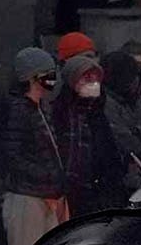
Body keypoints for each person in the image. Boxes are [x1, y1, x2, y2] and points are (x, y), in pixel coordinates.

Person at [0, 47, 68, 245]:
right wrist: (45, 174)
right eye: (47, 74)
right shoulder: (19, 109)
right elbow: (12, 155)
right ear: (31, 77)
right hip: (27, 196)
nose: (53, 80)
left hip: (46, 194)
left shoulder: (40, 107)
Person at [53, 55, 124, 216]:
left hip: (94, 192)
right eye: (86, 76)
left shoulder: (98, 113)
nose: (92, 81)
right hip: (64, 191)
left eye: (95, 76)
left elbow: (109, 152)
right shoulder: (60, 112)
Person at [101, 50, 141, 189]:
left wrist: (136, 130)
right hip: (122, 176)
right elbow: (123, 139)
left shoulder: (133, 100)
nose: (136, 81)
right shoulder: (105, 103)